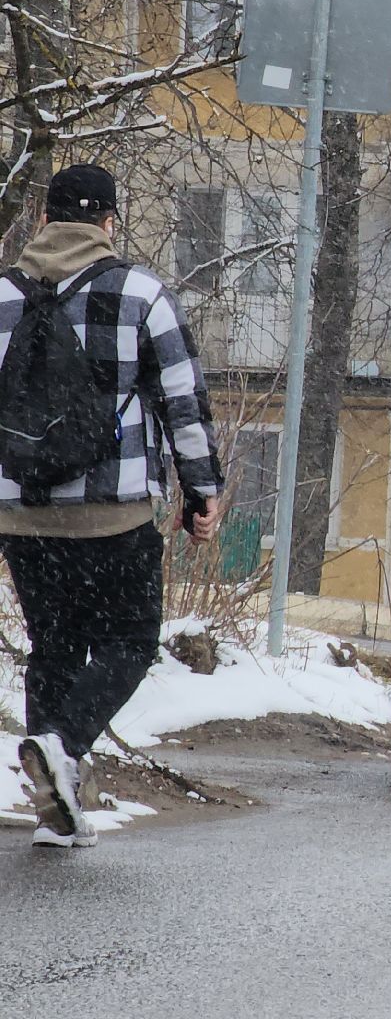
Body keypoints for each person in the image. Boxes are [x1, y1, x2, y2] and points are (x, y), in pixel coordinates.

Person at [2, 163, 225, 849]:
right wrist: (201, 492)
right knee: (128, 643)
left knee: (56, 648)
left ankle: (56, 807)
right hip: (114, 514)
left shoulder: (2, 297)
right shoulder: (140, 294)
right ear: (107, 224)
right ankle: (62, 751)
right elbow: (182, 405)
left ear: (42, 220)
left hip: (23, 515)